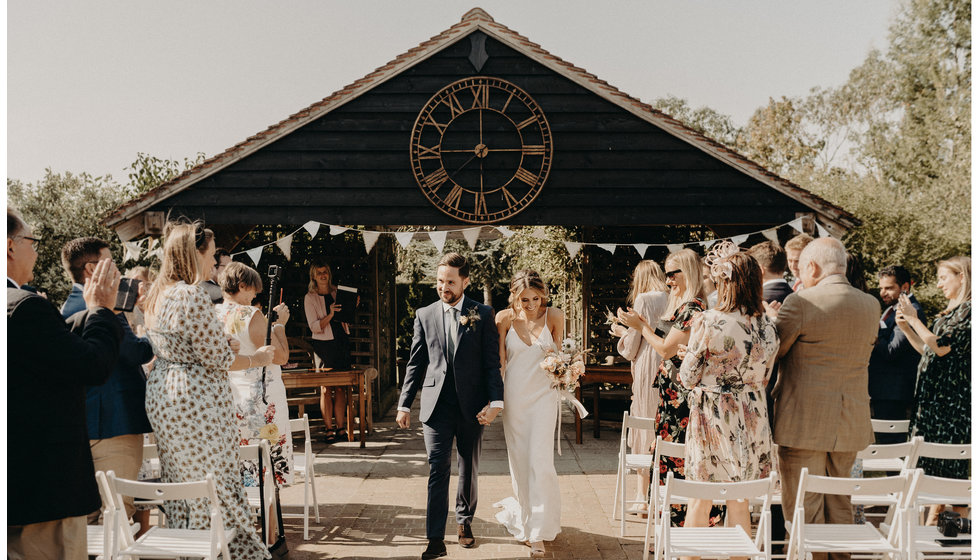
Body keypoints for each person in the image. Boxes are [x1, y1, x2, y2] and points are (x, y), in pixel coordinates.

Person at [142, 221, 275, 560]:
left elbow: (182, 343)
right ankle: (231, 553)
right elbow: (217, 358)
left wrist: (223, 342)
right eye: (213, 255)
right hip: (196, 400)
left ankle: (189, 549)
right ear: (193, 254)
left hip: (165, 394)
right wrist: (253, 357)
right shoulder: (190, 294)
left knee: (182, 482)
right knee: (214, 483)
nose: (217, 263)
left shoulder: (158, 293)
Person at [7, 208, 124, 560]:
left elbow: (45, 353)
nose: (36, 251)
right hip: (42, 494)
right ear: (9, 246)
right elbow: (93, 365)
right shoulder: (25, 307)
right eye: (31, 241)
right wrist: (102, 310)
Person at [769, 237, 879, 558]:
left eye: (803, 269)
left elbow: (776, 352)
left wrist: (770, 322)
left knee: (805, 507)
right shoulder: (870, 304)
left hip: (802, 421)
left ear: (813, 267)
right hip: (851, 421)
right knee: (840, 502)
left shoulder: (801, 302)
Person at [396, 252, 503, 560]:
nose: (444, 287)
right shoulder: (424, 314)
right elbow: (416, 363)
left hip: (471, 406)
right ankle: (434, 539)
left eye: (450, 282)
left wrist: (495, 401)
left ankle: (464, 522)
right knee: (437, 468)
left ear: (465, 281)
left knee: (468, 467)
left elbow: (491, 365)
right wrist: (405, 404)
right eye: (440, 281)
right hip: (435, 408)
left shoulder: (481, 313)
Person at [679, 245, 779, 542]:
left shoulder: (709, 321)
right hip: (753, 417)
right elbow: (764, 375)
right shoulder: (768, 325)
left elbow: (687, 377)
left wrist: (693, 358)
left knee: (701, 496)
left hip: (714, 417)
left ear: (725, 283)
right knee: (740, 500)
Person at [59, 237, 155, 523]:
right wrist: (152, 326)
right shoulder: (100, 311)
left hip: (88, 423)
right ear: (91, 270)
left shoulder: (69, 306)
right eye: (111, 263)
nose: (118, 271)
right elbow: (136, 352)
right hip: (113, 424)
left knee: (89, 517)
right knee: (117, 514)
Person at [618, 248, 715, 527]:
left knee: (675, 463)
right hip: (669, 395)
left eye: (674, 274)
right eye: (667, 274)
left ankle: (677, 532)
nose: (669, 279)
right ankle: (667, 532)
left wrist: (641, 326)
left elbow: (665, 348)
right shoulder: (682, 305)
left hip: (680, 400)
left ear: (690, 272)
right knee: (664, 459)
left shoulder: (693, 308)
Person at [493, 270, 566, 557]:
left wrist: (566, 372)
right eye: (525, 299)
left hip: (544, 397)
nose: (532, 305)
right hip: (515, 398)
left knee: (541, 462)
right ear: (514, 296)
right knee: (521, 462)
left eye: (536, 298)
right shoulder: (503, 319)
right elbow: (500, 363)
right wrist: (495, 401)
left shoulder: (555, 316)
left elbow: (561, 357)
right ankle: (527, 519)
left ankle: (539, 531)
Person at [895, 256, 971, 520]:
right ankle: (931, 535)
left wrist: (916, 320)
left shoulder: (970, 310)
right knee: (929, 475)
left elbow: (942, 347)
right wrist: (906, 329)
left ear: (962, 276)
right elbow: (929, 351)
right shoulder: (952, 310)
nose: (939, 285)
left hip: (951, 409)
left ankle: (959, 544)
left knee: (951, 481)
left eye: (943, 278)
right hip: (932, 407)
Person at [215, 262, 294, 485]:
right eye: (252, 290)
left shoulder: (215, 313)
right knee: (267, 466)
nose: (255, 295)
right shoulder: (250, 315)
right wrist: (279, 325)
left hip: (229, 399)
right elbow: (280, 357)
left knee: (240, 463)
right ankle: (270, 518)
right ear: (241, 285)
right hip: (261, 400)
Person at [611, 260, 669, 516]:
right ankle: (663, 492)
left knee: (644, 423)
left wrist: (621, 335)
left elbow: (634, 343)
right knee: (664, 424)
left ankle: (642, 497)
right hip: (668, 361)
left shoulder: (644, 299)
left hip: (649, 362)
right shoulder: (672, 297)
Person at [868, 265, 925, 444]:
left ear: (905, 287)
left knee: (892, 447)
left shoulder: (910, 310)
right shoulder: (891, 309)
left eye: (889, 288)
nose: (883, 293)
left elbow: (891, 350)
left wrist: (872, 334)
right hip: (884, 390)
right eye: (881, 288)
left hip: (893, 393)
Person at [304, 260, 351, 442]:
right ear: (313, 276)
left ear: (329, 274)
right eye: (319, 272)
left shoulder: (337, 291)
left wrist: (351, 306)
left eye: (325, 271)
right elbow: (314, 327)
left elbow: (347, 316)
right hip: (323, 345)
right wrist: (330, 314)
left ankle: (341, 428)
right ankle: (328, 428)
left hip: (341, 341)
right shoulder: (310, 297)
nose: (323, 275)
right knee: (326, 388)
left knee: (341, 387)